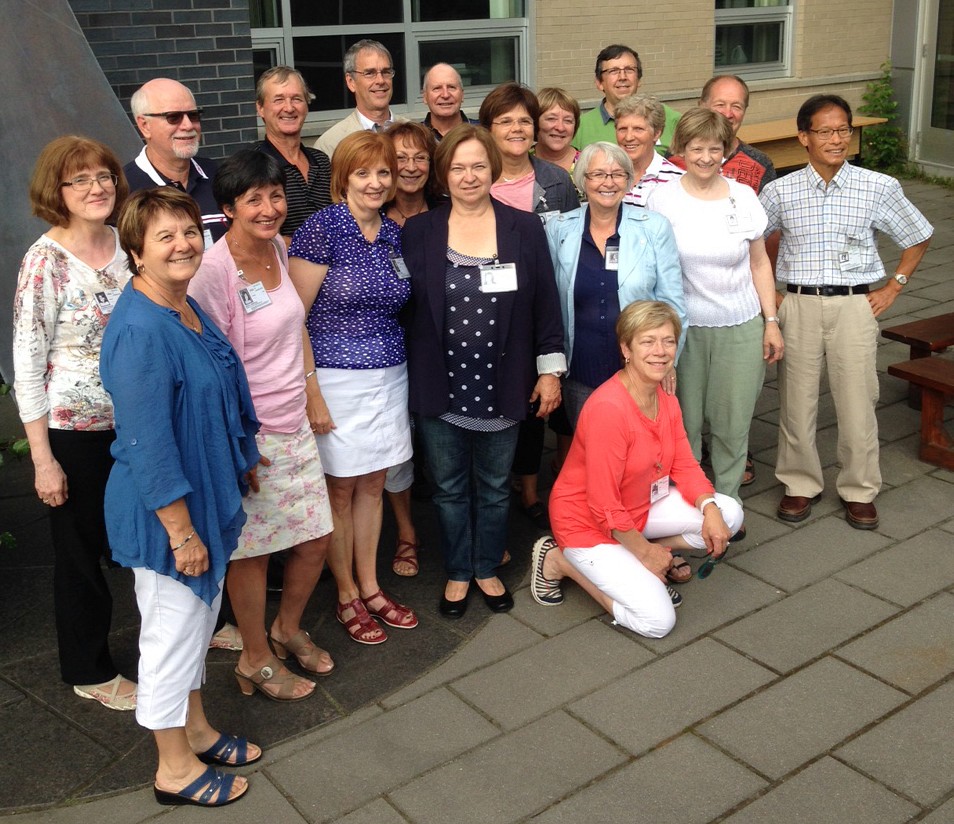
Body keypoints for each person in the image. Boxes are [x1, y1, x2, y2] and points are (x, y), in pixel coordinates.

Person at [102, 188, 262, 806]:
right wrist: (182, 532)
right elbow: (148, 443)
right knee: (170, 636)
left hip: (204, 494)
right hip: (167, 514)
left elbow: (217, 388)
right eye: (164, 237)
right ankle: (172, 767)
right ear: (136, 251)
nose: (182, 245)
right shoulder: (141, 330)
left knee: (194, 628)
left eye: (189, 231)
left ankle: (194, 728)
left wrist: (239, 458)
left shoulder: (184, 306)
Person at [402, 124, 567, 618]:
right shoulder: (420, 231)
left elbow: (545, 305)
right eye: (458, 166)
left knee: (495, 487)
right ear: (442, 174)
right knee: (450, 488)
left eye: (478, 165)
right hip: (442, 383)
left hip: (505, 382)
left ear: (492, 169)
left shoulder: (524, 227)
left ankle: (487, 567)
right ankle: (457, 570)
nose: (468, 175)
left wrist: (549, 370)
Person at [188, 150, 335, 700]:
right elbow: (214, 367)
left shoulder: (281, 248)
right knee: (252, 551)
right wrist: (238, 443)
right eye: (254, 199)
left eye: (275, 195)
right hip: (252, 433)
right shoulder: (213, 272)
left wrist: (311, 388)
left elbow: (295, 325)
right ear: (228, 208)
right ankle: (253, 656)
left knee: (316, 537)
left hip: (292, 421)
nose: (269, 207)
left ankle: (286, 627)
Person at [760, 94, 932, 529]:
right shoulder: (780, 190)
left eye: (843, 130)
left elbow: (918, 235)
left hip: (855, 305)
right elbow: (753, 241)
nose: (836, 139)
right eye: (825, 131)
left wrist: (895, 286)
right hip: (797, 303)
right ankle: (799, 484)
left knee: (858, 402)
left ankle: (859, 489)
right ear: (804, 137)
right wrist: (772, 296)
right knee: (795, 403)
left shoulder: (878, 187)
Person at [12, 136, 136, 711]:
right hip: (74, 432)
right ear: (56, 192)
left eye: (104, 176)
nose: (96, 187)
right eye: (80, 179)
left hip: (137, 420)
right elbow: (28, 364)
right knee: (81, 556)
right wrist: (43, 460)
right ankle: (87, 669)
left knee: (150, 532)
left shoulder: (126, 243)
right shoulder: (44, 261)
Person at [530, 301, 743, 635]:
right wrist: (646, 554)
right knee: (658, 622)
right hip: (586, 523)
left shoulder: (664, 395)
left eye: (668, 341)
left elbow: (685, 463)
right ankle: (563, 562)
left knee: (728, 514)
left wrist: (710, 507)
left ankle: (632, 556)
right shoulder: (608, 409)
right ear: (626, 348)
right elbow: (602, 503)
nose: (660, 351)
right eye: (648, 341)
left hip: (637, 507)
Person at [289, 131, 417, 644]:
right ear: (343, 178)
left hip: (389, 375)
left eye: (383, 173)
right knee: (340, 487)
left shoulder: (392, 234)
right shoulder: (321, 230)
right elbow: (292, 319)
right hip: (335, 378)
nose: (375, 182)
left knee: (374, 482)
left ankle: (371, 584)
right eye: (363, 173)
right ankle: (344, 593)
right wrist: (311, 391)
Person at [648, 108, 783, 527]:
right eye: (695, 148)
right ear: (680, 150)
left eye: (714, 148)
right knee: (683, 426)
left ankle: (727, 505)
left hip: (741, 326)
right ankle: (691, 508)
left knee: (732, 422)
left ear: (725, 150)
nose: (705, 157)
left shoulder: (742, 196)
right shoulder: (662, 200)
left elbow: (760, 263)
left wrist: (771, 321)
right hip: (683, 333)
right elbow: (655, 274)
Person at [479, 82, 578, 530]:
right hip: (485, 309)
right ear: (487, 129)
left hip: (542, 300)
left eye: (524, 120)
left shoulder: (556, 181)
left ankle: (531, 490)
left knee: (539, 398)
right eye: (506, 121)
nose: (517, 129)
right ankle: (495, 489)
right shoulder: (473, 174)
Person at [546, 141, 685, 427]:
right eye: (598, 174)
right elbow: (548, 303)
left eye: (617, 174)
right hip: (581, 369)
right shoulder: (560, 229)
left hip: (640, 367)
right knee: (591, 453)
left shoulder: (654, 227)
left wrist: (669, 359)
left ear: (628, 180)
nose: (608, 183)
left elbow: (673, 303)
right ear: (583, 180)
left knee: (640, 454)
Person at [382, 121, 440, 577]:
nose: (411, 166)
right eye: (400, 158)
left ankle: (461, 527)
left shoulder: (448, 211)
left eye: (420, 157)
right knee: (399, 447)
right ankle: (406, 533)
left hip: (442, 345)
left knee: (447, 441)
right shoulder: (372, 219)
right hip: (388, 350)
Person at [124, 78, 227, 247]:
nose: (187, 125)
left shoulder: (220, 175)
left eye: (193, 115)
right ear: (145, 126)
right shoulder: (123, 189)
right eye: (173, 117)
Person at [253, 66, 332, 244]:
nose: (289, 108)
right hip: (279, 268)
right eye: (278, 100)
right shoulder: (252, 164)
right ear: (260, 108)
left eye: (297, 99)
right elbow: (250, 231)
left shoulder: (321, 161)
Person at [668, 75, 776, 195]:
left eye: (736, 106)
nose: (727, 113)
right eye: (720, 105)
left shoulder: (760, 164)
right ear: (701, 105)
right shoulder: (674, 157)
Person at [572, 45, 681, 155]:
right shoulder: (579, 127)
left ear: (639, 80)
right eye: (613, 71)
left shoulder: (669, 118)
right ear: (599, 83)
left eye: (629, 70)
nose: (622, 77)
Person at [314, 40, 406, 159]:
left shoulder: (415, 134)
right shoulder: (331, 144)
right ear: (351, 82)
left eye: (386, 72)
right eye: (369, 73)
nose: (380, 80)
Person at [615, 95, 684, 208]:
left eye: (638, 129)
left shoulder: (676, 180)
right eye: (622, 129)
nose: (628, 137)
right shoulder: (605, 177)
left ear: (657, 134)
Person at [533, 87, 581, 175]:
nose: (560, 127)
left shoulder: (588, 163)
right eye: (551, 119)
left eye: (568, 120)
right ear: (535, 122)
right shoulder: (521, 161)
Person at [422, 63, 476, 141]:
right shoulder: (414, 137)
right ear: (425, 97)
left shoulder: (483, 133)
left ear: (462, 95)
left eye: (451, 87)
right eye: (437, 88)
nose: (445, 95)